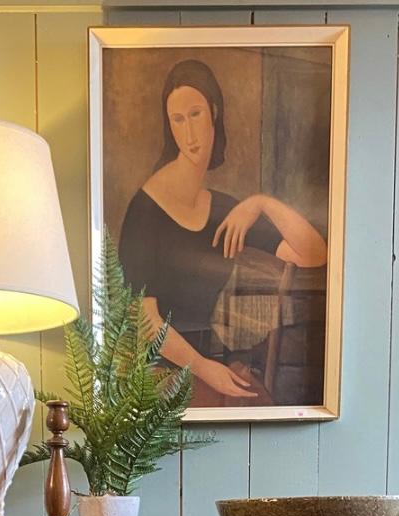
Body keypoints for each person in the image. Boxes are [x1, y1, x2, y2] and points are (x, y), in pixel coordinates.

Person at [118, 58, 327, 404]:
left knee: (260, 408)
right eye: (178, 119)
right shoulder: (146, 209)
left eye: (196, 114)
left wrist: (262, 203)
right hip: (157, 377)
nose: (189, 134)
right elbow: (146, 322)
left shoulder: (223, 210)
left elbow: (313, 253)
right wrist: (203, 368)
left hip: (209, 368)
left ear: (214, 111)